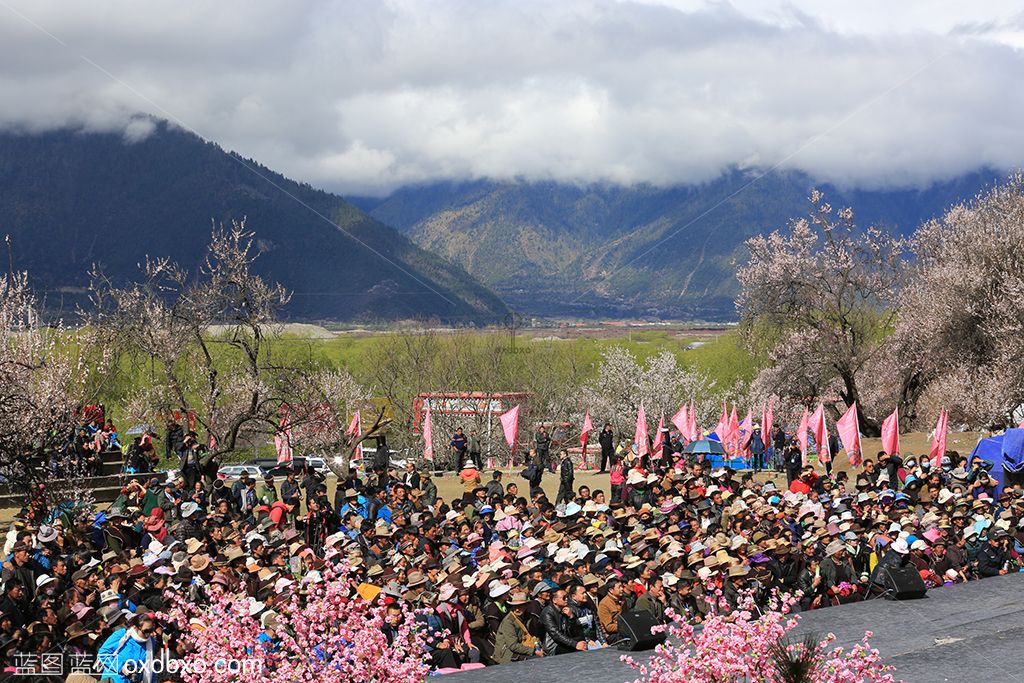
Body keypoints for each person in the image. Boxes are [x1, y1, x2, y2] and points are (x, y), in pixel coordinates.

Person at [493, 591, 542, 664]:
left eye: (520, 606)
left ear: (526, 605)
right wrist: (533, 650)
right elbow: (513, 645)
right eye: (515, 606)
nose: (517, 609)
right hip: (507, 654)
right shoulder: (509, 621)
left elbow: (533, 635)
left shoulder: (528, 617)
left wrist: (538, 645)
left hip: (523, 647)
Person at [541, 589, 586, 655]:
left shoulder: (566, 609)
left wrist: (571, 617)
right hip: (553, 646)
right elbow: (555, 634)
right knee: (577, 648)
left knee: (582, 640)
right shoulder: (547, 613)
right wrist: (575, 644)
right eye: (564, 597)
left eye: (567, 597)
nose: (566, 599)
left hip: (565, 640)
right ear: (554, 600)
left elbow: (576, 631)